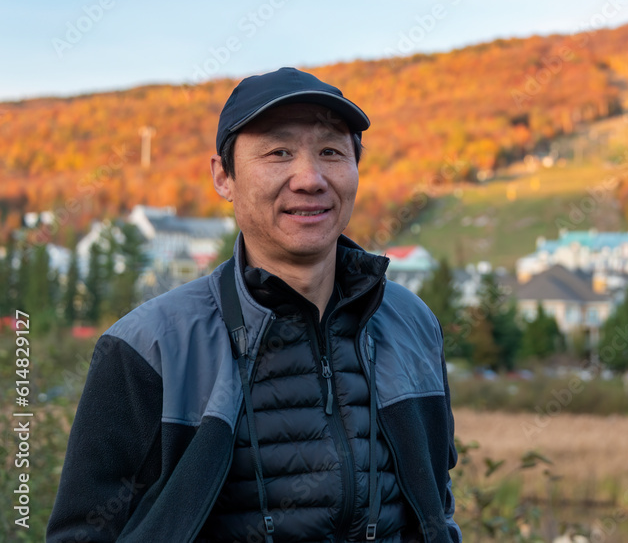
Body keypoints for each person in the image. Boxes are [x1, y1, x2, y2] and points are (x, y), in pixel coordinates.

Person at [47, 67, 462, 543]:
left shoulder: (411, 324)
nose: (309, 178)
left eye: (330, 151)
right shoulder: (150, 346)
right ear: (223, 176)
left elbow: (437, 498)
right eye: (278, 152)